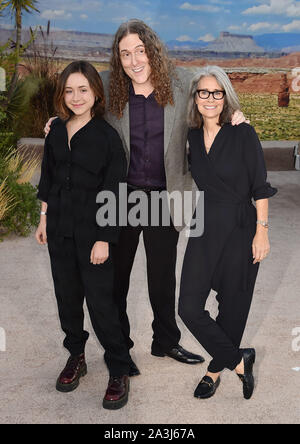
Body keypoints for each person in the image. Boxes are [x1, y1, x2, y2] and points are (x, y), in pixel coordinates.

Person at [44, 19, 247, 376]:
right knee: (114, 277)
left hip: (167, 194)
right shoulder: (109, 84)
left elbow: (213, 99)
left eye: (140, 51)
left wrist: (234, 115)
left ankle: (165, 341)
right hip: (119, 196)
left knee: (162, 275)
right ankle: (118, 346)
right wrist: (54, 120)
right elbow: (77, 101)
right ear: (118, 59)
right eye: (125, 54)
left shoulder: (182, 82)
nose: (134, 60)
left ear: (152, 50)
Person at [35, 60, 132, 410]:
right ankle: (76, 355)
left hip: (94, 237)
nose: (76, 97)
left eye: (83, 90)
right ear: (63, 95)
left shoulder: (107, 137)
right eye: (69, 90)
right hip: (60, 230)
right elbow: (47, 178)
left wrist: (105, 238)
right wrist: (43, 218)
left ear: (95, 93)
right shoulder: (57, 131)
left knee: (101, 304)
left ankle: (119, 368)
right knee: (67, 298)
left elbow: (115, 191)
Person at [178, 66, 277, 400]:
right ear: (195, 97)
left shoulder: (242, 133)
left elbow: (260, 187)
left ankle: (213, 371)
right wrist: (58, 124)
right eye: (203, 92)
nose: (210, 99)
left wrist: (261, 232)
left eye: (217, 92)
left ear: (226, 96)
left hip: (240, 225)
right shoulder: (190, 135)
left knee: (232, 306)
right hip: (204, 223)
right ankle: (238, 359)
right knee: (189, 307)